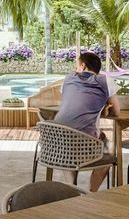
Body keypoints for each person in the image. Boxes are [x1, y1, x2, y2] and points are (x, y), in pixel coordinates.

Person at [52, 51, 121, 192]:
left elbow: (75, 102)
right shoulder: (105, 81)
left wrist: (100, 108)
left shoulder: (68, 79)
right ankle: (91, 192)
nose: (76, 69)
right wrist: (104, 108)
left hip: (55, 141)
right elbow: (117, 111)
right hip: (83, 141)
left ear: (83, 66)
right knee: (109, 153)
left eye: (77, 66)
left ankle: (72, 188)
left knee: (71, 142)